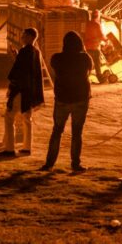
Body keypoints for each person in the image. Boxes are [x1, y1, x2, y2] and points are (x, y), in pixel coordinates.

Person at [41, 31, 92, 172]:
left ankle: (49, 163)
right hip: (80, 98)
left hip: (62, 99)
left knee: (57, 131)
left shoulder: (57, 58)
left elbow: (56, 70)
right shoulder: (85, 58)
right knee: (77, 132)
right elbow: (90, 71)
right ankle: (75, 164)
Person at [0, 27, 45, 157]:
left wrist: (12, 88)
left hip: (21, 90)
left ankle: (9, 148)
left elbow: (19, 71)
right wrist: (17, 56)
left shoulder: (25, 52)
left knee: (9, 117)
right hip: (30, 91)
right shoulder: (36, 52)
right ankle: (26, 147)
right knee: (27, 119)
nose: (22, 38)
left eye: (24, 35)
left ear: (30, 37)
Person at [83, 9, 106, 83]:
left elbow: (83, 33)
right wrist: (106, 40)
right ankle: (100, 78)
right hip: (95, 47)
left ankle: (84, 78)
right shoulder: (97, 24)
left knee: (87, 64)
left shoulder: (87, 24)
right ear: (98, 16)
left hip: (87, 47)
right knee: (97, 64)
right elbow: (101, 35)